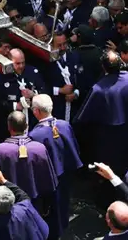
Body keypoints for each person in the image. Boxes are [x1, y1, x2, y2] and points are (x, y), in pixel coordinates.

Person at [75, 51, 128, 176]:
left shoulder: (98, 89)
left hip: (111, 137)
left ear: (103, 67)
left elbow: (85, 117)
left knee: (115, 169)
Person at [30, 94, 82, 240]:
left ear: (36, 111)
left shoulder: (35, 134)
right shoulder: (64, 125)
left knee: (50, 209)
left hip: (49, 179)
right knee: (64, 202)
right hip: (66, 173)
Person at [0, 111, 56, 201]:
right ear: (26, 126)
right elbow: (48, 181)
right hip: (34, 203)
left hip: (7, 203)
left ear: (9, 127)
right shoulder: (40, 148)